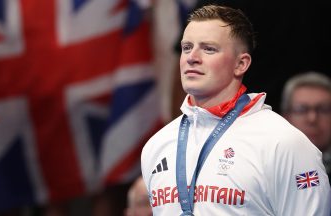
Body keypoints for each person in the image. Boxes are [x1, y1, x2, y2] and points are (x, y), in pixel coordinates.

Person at [141, 4, 331, 216]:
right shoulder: (157, 145)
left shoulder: (283, 143)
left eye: (208, 48)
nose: (192, 57)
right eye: (187, 47)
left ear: (241, 64)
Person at [281, 71, 331, 184]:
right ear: (285, 117)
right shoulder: (269, 167)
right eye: (301, 110)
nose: (312, 119)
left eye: (323, 109)